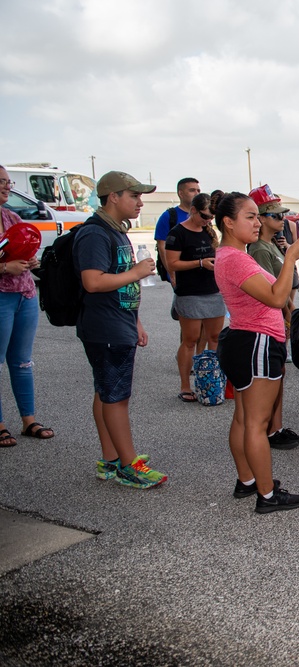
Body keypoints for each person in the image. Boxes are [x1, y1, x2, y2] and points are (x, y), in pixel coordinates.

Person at [214, 191, 299, 513]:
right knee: (257, 422)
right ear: (228, 222)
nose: (258, 223)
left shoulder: (234, 254)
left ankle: (248, 480)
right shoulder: (236, 257)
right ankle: (267, 495)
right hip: (257, 341)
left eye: (258, 216)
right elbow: (275, 297)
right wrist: (292, 258)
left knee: (243, 418)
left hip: (245, 338)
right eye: (250, 217)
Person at [74, 171, 166, 488]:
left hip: (118, 323)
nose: (140, 202)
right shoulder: (96, 234)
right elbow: (93, 281)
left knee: (106, 393)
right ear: (113, 197)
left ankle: (111, 458)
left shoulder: (115, 230)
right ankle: (128, 466)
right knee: (116, 398)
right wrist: (139, 272)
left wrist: (135, 320)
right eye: (134, 196)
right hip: (105, 328)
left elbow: (117, 282)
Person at [247, 186, 299, 450]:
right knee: (273, 376)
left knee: (279, 374)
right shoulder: (260, 249)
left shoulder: (270, 245)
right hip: (271, 318)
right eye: (275, 214)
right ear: (261, 218)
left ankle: (277, 427)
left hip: (280, 315)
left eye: (282, 214)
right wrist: (287, 311)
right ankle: (271, 430)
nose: (282, 219)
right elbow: (271, 290)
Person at [0, 165, 53, 447]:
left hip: (25, 294)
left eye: (8, 182)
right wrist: (4, 267)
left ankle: (28, 420)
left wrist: (32, 262)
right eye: (1, 182)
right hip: (1, 296)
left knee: (22, 361)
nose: (7, 186)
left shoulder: (12, 216)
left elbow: (26, 249)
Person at [163, 192, 226, 401]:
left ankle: (213, 382)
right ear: (193, 210)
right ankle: (185, 386)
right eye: (204, 216)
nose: (208, 221)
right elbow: (172, 264)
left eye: (210, 217)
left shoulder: (209, 232)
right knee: (190, 340)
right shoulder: (177, 233)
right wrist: (200, 263)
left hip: (213, 291)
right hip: (189, 293)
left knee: (214, 338)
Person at [154, 177, 200, 284]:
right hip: (180, 274)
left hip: (200, 272)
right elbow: (162, 247)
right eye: (192, 190)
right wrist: (171, 273)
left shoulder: (201, 216)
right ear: (181, 193)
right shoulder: (169, 216)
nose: (196, 194)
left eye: (198, 190)